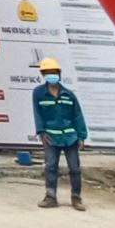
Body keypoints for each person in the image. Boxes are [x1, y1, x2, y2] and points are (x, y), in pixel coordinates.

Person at [32, 57, 89, 210]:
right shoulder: (39, 93)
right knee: (51, 166)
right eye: (48, 72)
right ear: (43, 75)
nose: (51, 75)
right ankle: (50, 197)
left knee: (75, 168)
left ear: (59, 73)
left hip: (70, 137)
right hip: (51, 137)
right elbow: (37, 113)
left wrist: (81, 136)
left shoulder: (68, 95)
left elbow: (77, 115)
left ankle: (76, 198)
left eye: (54, 72)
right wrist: (41, 131)